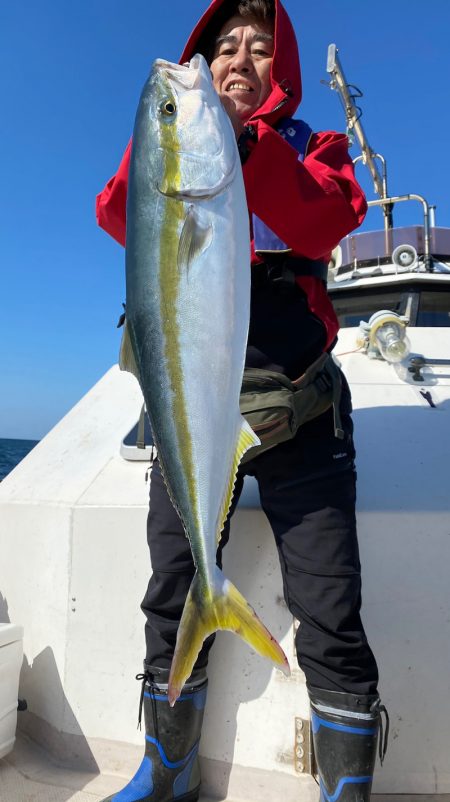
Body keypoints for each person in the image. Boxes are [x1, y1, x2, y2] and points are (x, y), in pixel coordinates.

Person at [96, 2, 388, 801]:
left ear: (282, 70)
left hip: (302, 415)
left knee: (330, 609)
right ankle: (169, 770)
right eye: (223, 46)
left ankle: (344, 788)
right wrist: (167, 133)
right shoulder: (175, 151)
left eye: (260, 49)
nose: (238, 60)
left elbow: (329, 218)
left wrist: (245, 144)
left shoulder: (311, 150)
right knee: (171, 592)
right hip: (195, 418)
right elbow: (119, 212)